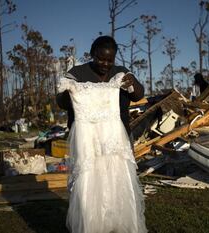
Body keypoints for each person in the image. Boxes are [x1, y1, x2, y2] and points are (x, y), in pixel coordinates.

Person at [57, 36, 147, 233]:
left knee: (117, 178)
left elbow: (139, 95)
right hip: (87, 137)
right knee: (90, 181)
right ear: (92, 54)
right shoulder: (77, 73)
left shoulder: (121, 73)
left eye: (110, 60)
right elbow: (62, 102)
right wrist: (68, 90)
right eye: (101, 59)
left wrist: (131, 84)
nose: (105, 64)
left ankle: (117, 221)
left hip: (116, 135)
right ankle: (92, 223)